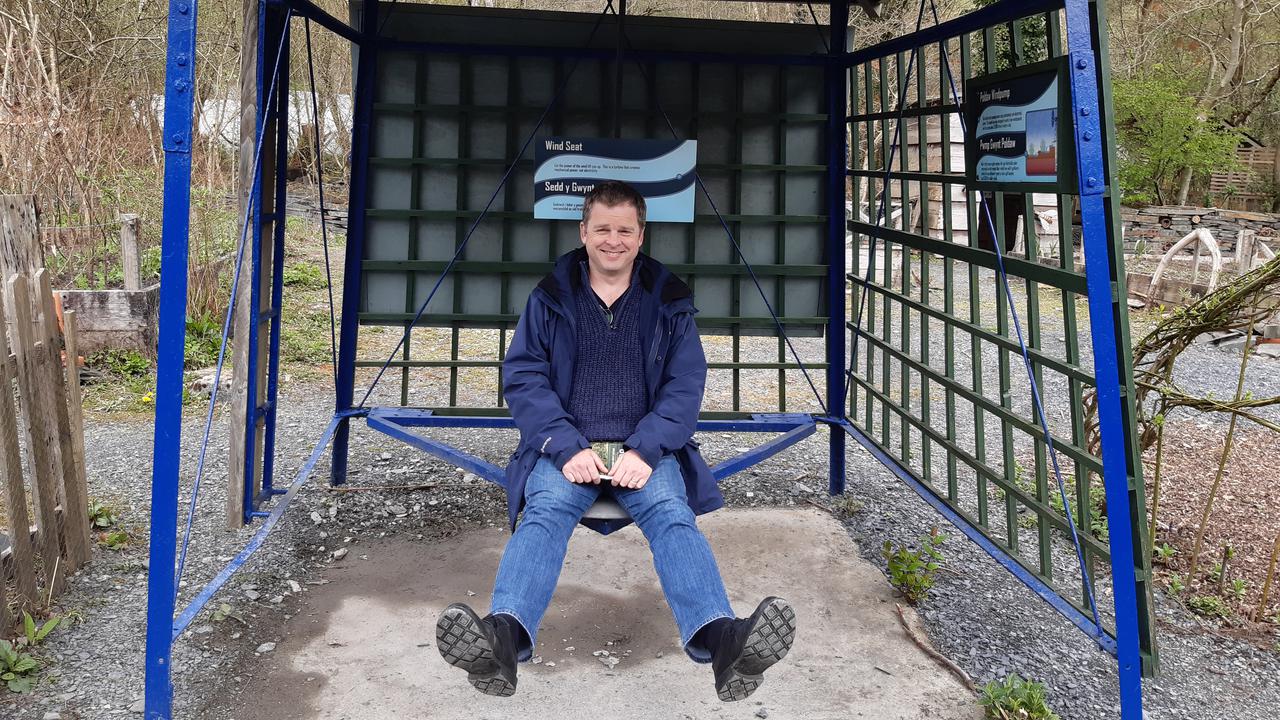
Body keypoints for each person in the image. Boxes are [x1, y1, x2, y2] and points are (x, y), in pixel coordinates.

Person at [434, 180, 796, 701]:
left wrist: (645, 449)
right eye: (601, 228)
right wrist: (564, 445)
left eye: (624, 230)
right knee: (544, 514)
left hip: (643, 452)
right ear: (583, 231)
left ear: (641, 236)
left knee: (673, 516)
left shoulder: (668, 300)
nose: (613, 240)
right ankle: (502, 643)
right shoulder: (551, 297)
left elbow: (684, 385)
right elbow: (524, 377)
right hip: (570, 449)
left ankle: (725, 643)